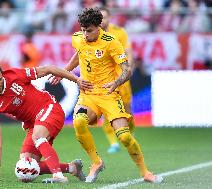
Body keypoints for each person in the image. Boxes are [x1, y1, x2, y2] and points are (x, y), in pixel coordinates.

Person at [49, 7, 163, 183]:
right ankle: (96, 162)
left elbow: (127, 69)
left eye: (89, 30)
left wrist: (117, 82)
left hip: (109, 95)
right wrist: (63, 72)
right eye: (83, 30)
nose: (85, 34)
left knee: (125, 137)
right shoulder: (78, 38)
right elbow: (79, 55)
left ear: (99, 26)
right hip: (88, 96)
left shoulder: (112, 42)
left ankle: (145, 172)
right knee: (79, 122)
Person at [0, 60, 93, 183]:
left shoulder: (14, 75)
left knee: (37, 136)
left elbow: (49, 68)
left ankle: (58, 176)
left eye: (0, 79)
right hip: (34, 123)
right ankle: (72, 168)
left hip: (50, 108)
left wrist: (76, 80)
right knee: (25, 167)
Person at [99, 6, 135, 154]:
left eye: (104, 17)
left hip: (122, 78)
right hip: (105, 78)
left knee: (127, 110)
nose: (102, 21)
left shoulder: (120, 33)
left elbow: (128, 52)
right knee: (108, 111)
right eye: (99, 18)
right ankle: (113, 142)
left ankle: (130, 135)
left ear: (110, 18)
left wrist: (129, 68)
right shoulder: (93, 34)